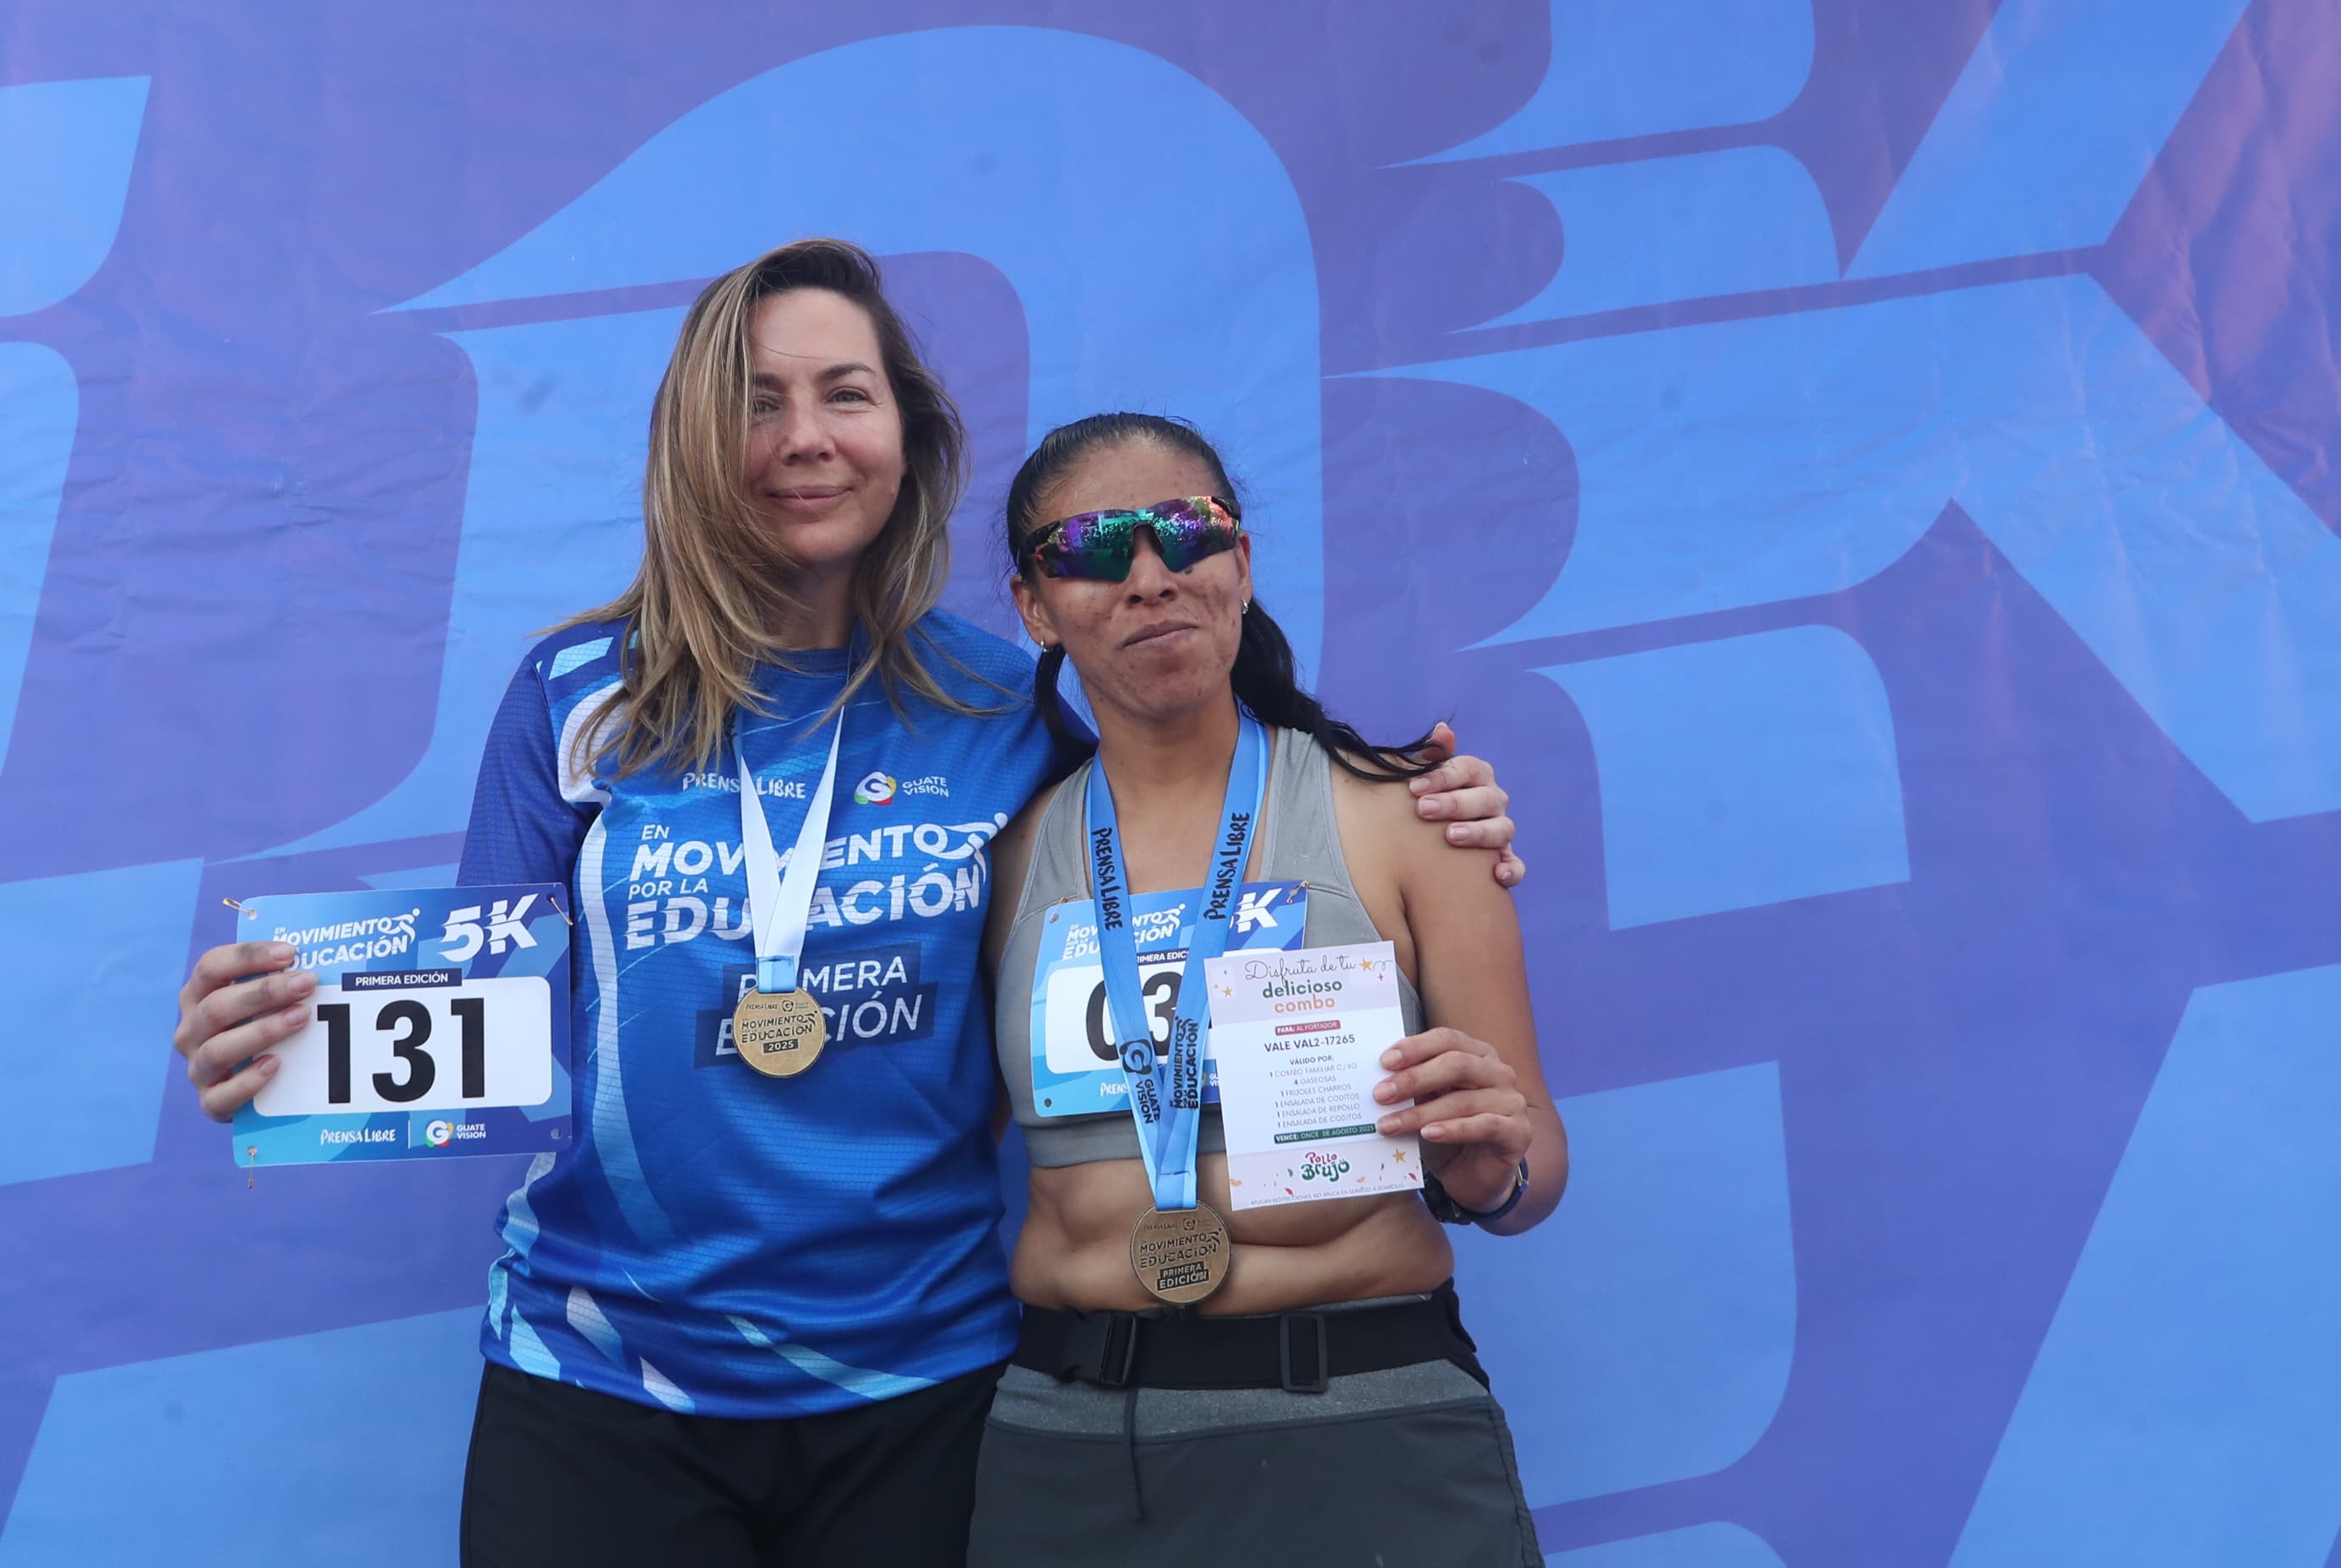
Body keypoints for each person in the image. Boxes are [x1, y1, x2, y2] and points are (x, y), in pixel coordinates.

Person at [168, 238, 1525, 1568]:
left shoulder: (1007, 705)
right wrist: (284, 1045)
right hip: (603, 1372)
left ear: (907, 433)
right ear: (696, 437)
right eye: (758, 401)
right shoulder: (577, 695)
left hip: (919, 1386)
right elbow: (481, 1014)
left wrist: (1432, 810)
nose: (806, 437)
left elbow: (1192, 811)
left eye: (845, 393)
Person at [974, 410, 1566, 1568]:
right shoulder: (1007, 861)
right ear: (1036, 605)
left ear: (1241, 563)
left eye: (1186, 532)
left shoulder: (1409, 815)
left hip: (1366, 1420)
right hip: (1077, 1443)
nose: (1150, 576)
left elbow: (1533, 1158)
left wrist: (1492, 1172)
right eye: (1094, 548)